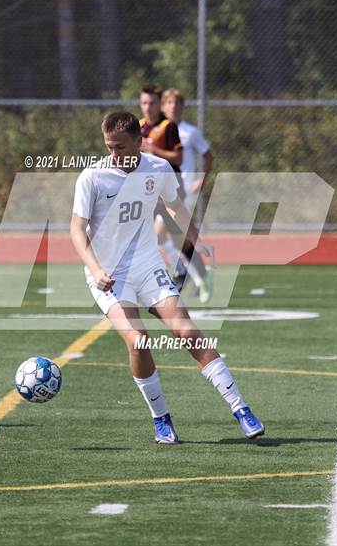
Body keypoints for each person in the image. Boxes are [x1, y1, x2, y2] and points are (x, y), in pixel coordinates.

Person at [70, 111, 265, 444]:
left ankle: (241, 409)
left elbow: (174, 205)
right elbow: (76, 229)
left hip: (148, 265)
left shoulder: (158, 168)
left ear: (139, 142)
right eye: (108, 146)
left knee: (188, 332)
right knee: (138, 341)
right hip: (109, 274)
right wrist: (96, 268)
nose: (113, 153)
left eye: (119, 147)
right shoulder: (92, 177)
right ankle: (161, 419)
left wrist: (197, 241)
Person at [139, 84, 212, 303]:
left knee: (163, 235)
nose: (148, 107)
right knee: (172, 237)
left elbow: (186, 157)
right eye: (144, 103)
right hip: (151, 192)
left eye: (152, 103)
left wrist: (202, 180)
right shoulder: (141, 127)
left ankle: (187, 273)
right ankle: (194, 273)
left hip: (176, 189)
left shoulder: (176, 129)